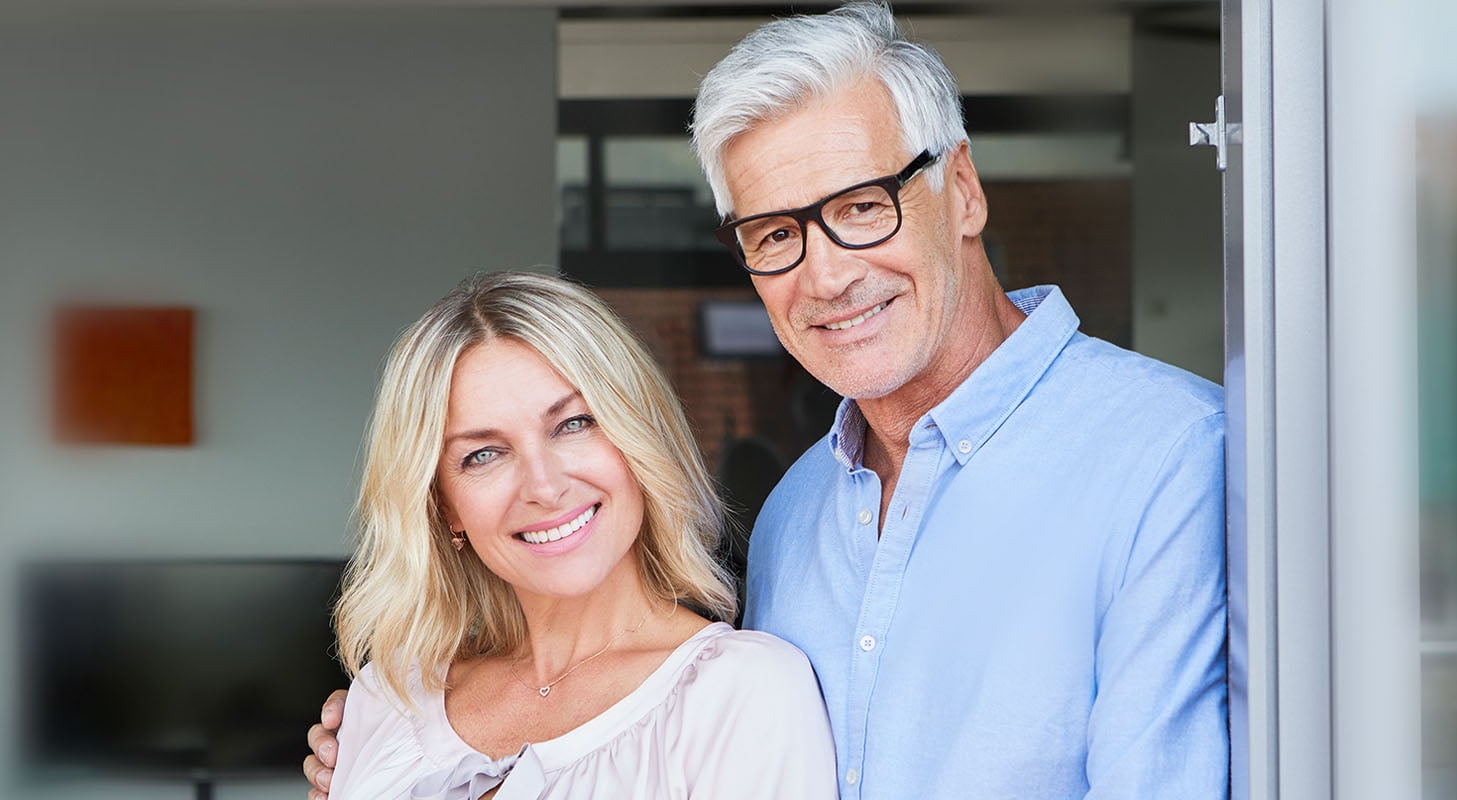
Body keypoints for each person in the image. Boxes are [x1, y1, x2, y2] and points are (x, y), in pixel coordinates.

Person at [309, 3, 1229, 797]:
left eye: (864, 205)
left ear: (963, 190)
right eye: (775, 233)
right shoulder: (794, 516)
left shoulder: (1172, 453)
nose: (826, 274)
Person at [323, 271, 836, 799]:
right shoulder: (388, 701)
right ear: (443, 505)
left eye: (573, 424)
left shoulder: (744, 694)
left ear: (638, 437)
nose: (544, 487)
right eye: (483, 454)